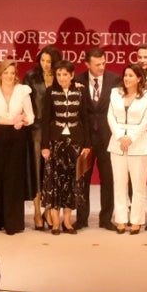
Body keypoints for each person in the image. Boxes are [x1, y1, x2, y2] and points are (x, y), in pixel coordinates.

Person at [0, 59, 34, 235]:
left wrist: (23, 120)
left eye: (12, 73)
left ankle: (13, 222)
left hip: (17, 137)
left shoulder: (23, 91)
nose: (10, 76)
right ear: (0, 74)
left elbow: (31, 116)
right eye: (6, 73)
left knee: (13, 179)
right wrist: (9, 121)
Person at [39, 59, 90, 234]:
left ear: (72, 75)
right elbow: (45, 120)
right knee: (54, 181)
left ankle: (67, 222)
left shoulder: (81, 92)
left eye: (65, 74)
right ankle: (55, 222)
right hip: (55, 141)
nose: (61, 78)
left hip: (76, 141)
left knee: (72, 181)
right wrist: (44, 145)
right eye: (58, 74)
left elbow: (86, 119)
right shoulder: (50, 92)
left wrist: (87, 144)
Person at [106, 63, 147, 234]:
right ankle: (120, 219)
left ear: (139, 78)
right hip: (117, 144)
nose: (127, 79)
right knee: (119, 183)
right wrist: (120, 137)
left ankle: (136, 220)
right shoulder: (115, 93)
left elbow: (146, 121)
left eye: (131, 76)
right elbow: (110, 116)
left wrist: (131, 138)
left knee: (138, 185)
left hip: (139, 145)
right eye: (125, 75)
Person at [76, 47, 120, 231]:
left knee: (108, 180)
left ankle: (106, 218)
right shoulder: (77, 81)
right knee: (82, 180)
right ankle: (81, 218)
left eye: (103, 63)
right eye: (97, 64)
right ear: (87, 64)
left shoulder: (115, 80)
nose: (101, 67)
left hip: (107, 137)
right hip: (84, 139)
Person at [25, 46, 61, 231]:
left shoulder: (60, 76)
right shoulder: (31, 77)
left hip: (56, 130)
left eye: (49, 61)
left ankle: (49, 210)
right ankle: (37, 212)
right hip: (36, 130)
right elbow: (26, 104)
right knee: (38, 172)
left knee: (52, 172)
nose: (46, 65)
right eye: (43, 61)